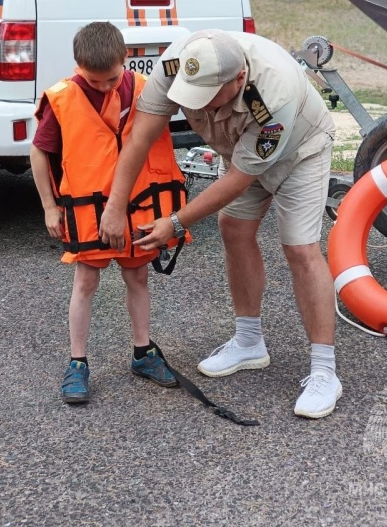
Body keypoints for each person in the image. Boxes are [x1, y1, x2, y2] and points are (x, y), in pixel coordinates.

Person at [99, 28, 342, 419]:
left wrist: (175, 223)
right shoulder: (178, 64)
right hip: (240, 150)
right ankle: (249, 342)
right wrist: (114, 205)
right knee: (234, 229)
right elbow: (139, 139)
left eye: (212, 95)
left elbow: (237, 180)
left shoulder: (272, 94)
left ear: (239, 79)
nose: (204, 106)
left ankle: (324, 371)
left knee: (300, 249)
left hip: (299, 152)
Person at [30, 21, 188, 405]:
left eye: (111, 79)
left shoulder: (147, 90)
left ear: (126, 59)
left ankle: (143, 353)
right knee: (85, 283)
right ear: (78, 65)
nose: (104, 87)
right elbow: (39, 151)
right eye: (94, 80)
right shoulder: (64, 99)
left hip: (138, 211)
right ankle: (78, 363)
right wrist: (50, 207)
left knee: (137, 278)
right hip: (88, 213)